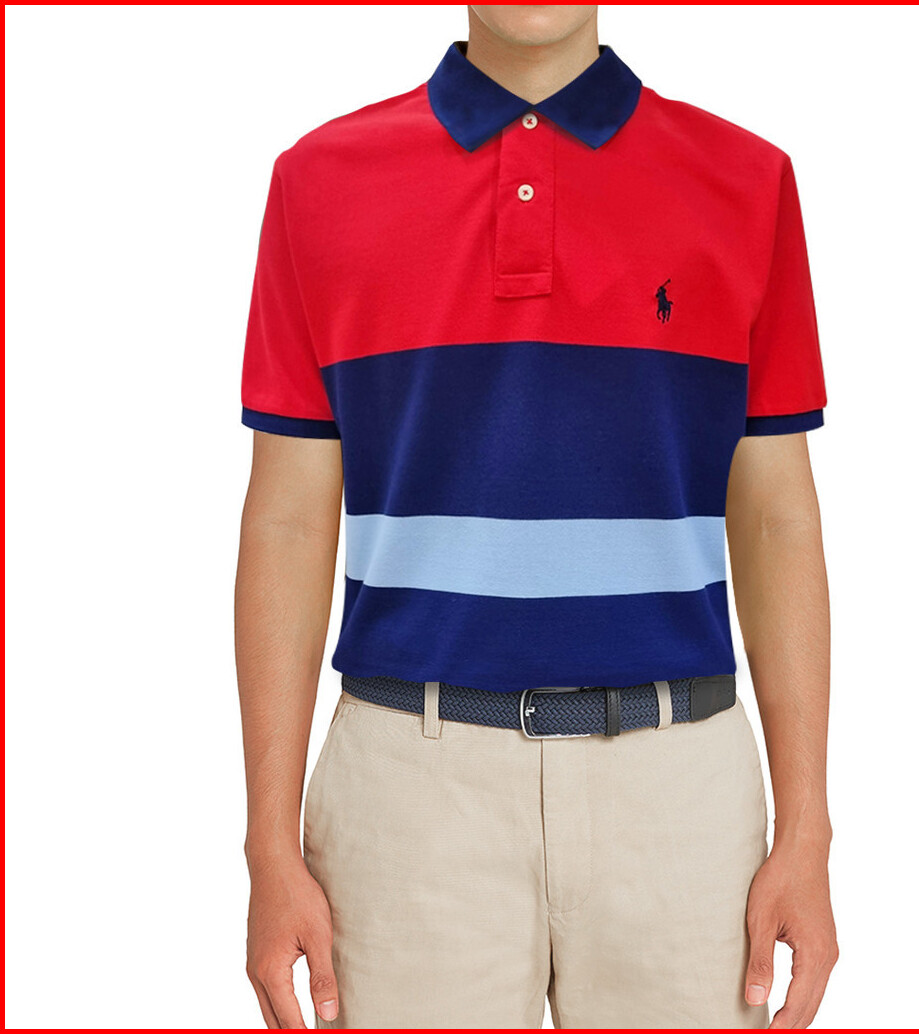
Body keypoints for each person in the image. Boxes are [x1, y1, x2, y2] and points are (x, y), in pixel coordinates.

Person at [234, 5, 838, 1029]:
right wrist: (267, 845)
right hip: (407, 796)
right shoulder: (318, 181)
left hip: (679, 795)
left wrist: (808, 831)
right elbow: (287, 522)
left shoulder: (747, 181)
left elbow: (777, 518)